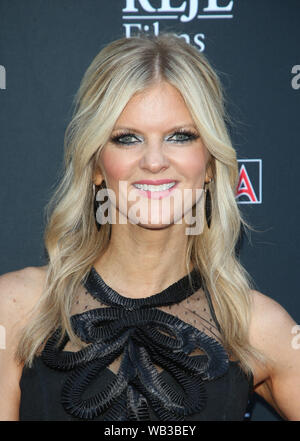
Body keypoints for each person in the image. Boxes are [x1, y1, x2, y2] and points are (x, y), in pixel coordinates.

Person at [0, 32, 299, 421]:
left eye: (180, 136)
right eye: (127, 139)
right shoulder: (17, 309)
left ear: (209, 164)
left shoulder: (257, 327)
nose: (154, 161)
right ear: (95, 166)